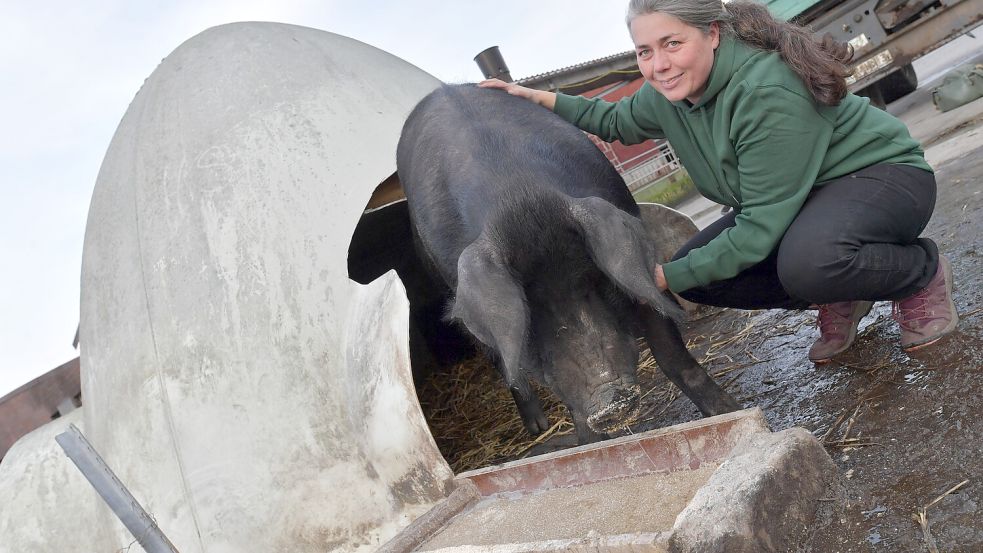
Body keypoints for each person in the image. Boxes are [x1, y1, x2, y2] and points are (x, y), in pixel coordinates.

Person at [479, 0, 959, 363]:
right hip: (802, 203)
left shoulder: (765, 89)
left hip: (879, 179)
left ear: (712, 34)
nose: (658, 65)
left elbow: (758, 230)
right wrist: (533, 98)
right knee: (706, 276)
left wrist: (664, 277)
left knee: (805, 262)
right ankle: (843, 290)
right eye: (644, 51)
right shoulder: (667, 96)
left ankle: (918, 275)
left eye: (672, 44)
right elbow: (614, 121)